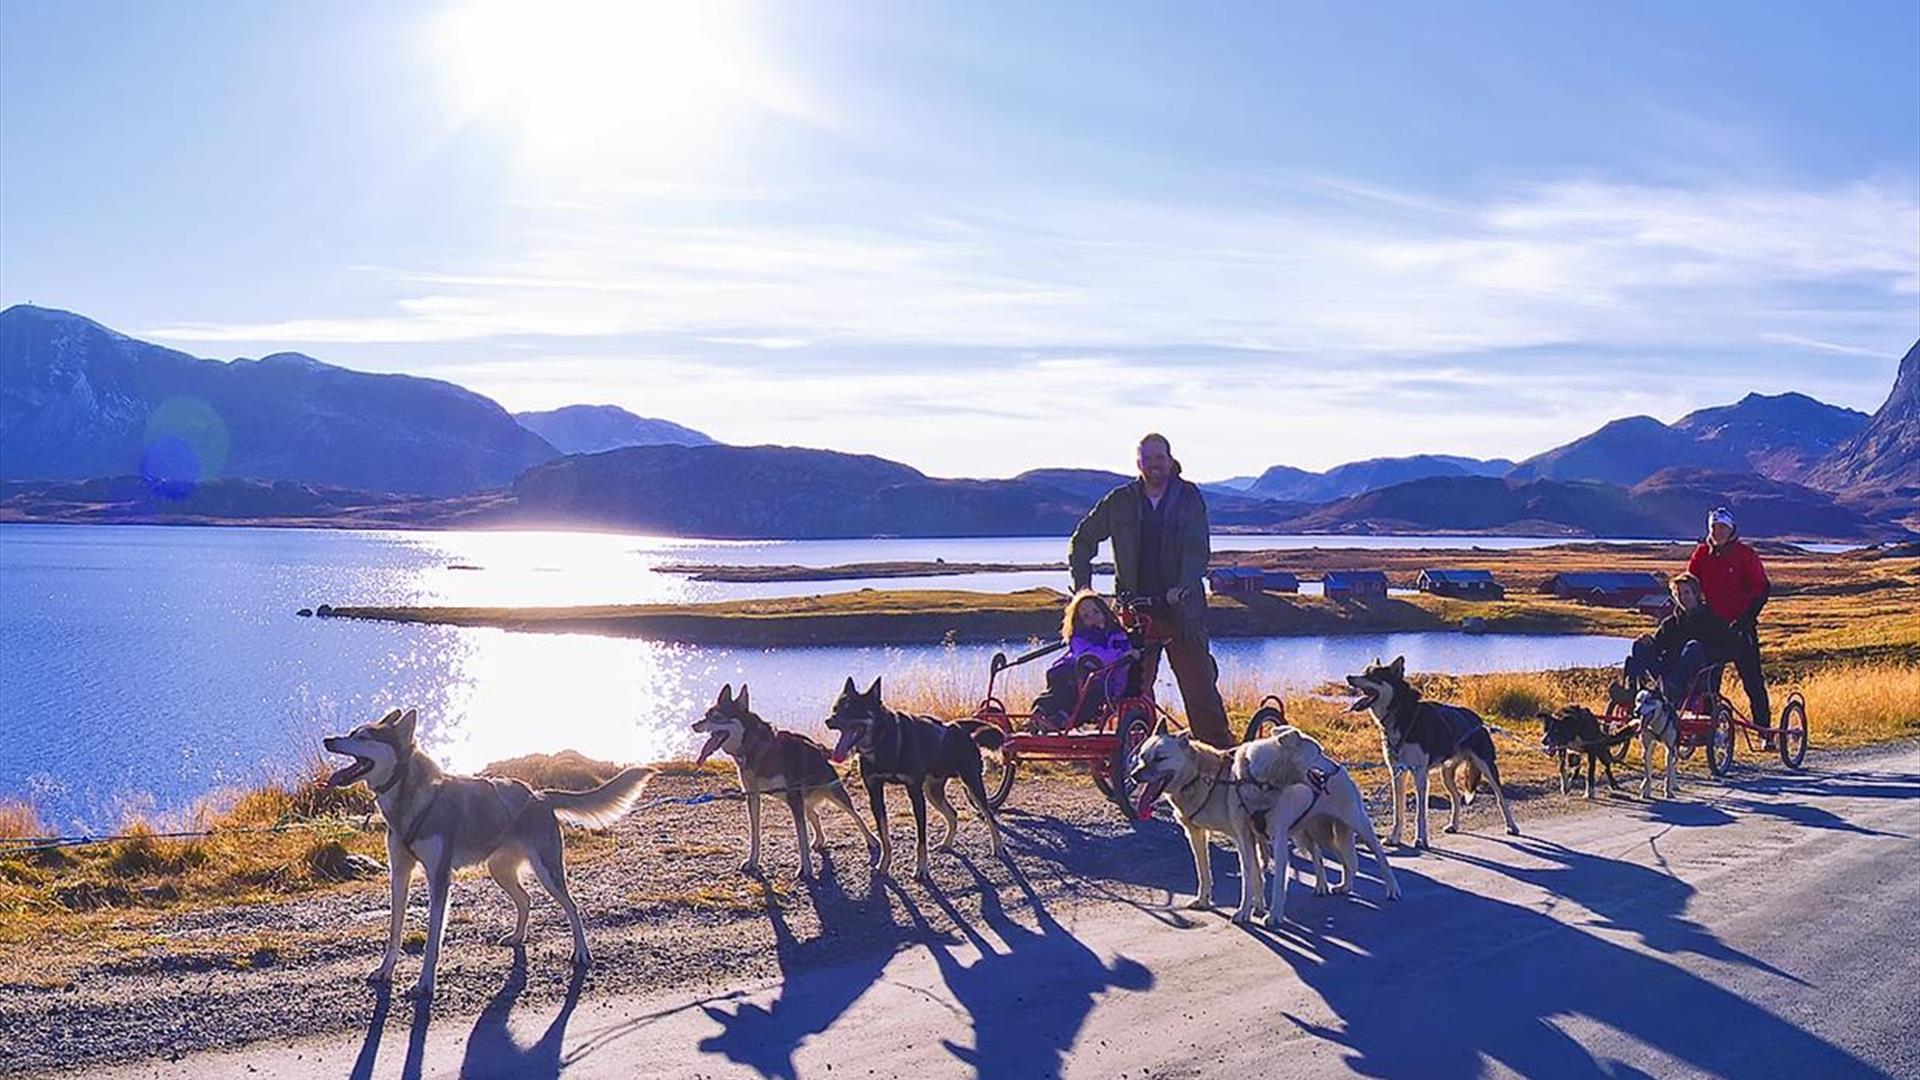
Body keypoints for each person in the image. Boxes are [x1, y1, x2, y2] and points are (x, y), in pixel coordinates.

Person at [1068, 433, 1233, 747]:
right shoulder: (1120, 501)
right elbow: (1082, 540)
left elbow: (1197, 549)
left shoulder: (1188, 497)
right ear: (1138, 463)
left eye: (1159, 458)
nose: (1154, 464)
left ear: (1170, 461)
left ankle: (1219, 755)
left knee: (1198, 686)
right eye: (1147, 459)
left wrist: (1182, 587)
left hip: (1181, 612)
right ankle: (1140, 754)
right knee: (1132, 689)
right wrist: (1083, 590)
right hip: (1134, 609)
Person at [1687, 506, 1773, 740]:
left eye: (1723, 527)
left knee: (1752, 682)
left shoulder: (1745, 554)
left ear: (1731, 529)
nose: (1719, 532)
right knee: (1707, 683)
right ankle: (1707, 731)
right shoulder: (1701, 554)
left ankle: (1764, 732)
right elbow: (1690, 586)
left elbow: (1762, 589)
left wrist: (1746, 619)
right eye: (1715, 527)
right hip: (1713, 629)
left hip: (1741, 629)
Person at [1616, 572, 1742, 708]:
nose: (1682, 597)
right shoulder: (1670, 624)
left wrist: (1712, 656)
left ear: (1696, 594)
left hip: (1699, 676)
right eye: (1678, 594)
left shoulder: (1712, 620)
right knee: (1639, 645)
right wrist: (1647, 641)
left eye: (1686, 593)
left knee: (1693, 647)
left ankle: (1670, 690)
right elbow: (1657, 646)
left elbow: (1729, 647)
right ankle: (1632, 690)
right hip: (1668, 672)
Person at [1028, 590, 1135, 732]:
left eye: (1096, 612)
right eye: (1086, 616)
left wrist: (1127, 655)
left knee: (1088, 693)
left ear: (1104, 611)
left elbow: (1109, 656)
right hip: (1078, 676)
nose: (1093, 617)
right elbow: (1087, 654)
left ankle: (1059, 719)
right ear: (1080, 621)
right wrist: (1119, 655)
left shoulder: (1118, 635)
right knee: (1061, 685)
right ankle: (1041, 713)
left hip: (1107, 683)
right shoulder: (1080, 638)